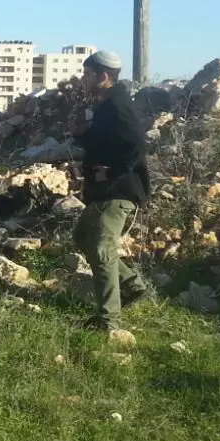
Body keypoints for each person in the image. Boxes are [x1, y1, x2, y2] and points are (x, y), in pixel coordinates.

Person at [71, 50, 152, 331]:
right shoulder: (107, 106)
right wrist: (82, 133)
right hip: (103, 191)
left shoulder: (118, 105)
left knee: (102, 247)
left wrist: (112, 172)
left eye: (87, 74)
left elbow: (136, 146)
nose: (83, 78)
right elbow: (104, 142)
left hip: (119, 191)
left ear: (103, 76)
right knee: (83, 237)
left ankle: (108, 321)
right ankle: (131, 285)